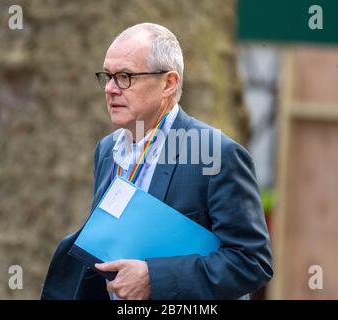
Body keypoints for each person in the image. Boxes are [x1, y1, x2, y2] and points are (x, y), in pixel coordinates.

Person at [41, 23, 273, 300]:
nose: (111, 89)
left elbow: (252, 262)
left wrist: (155, 278)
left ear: (168, 83)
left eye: (125, 76)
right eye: (108, 76)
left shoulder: (217, 153)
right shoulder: (106, 150)